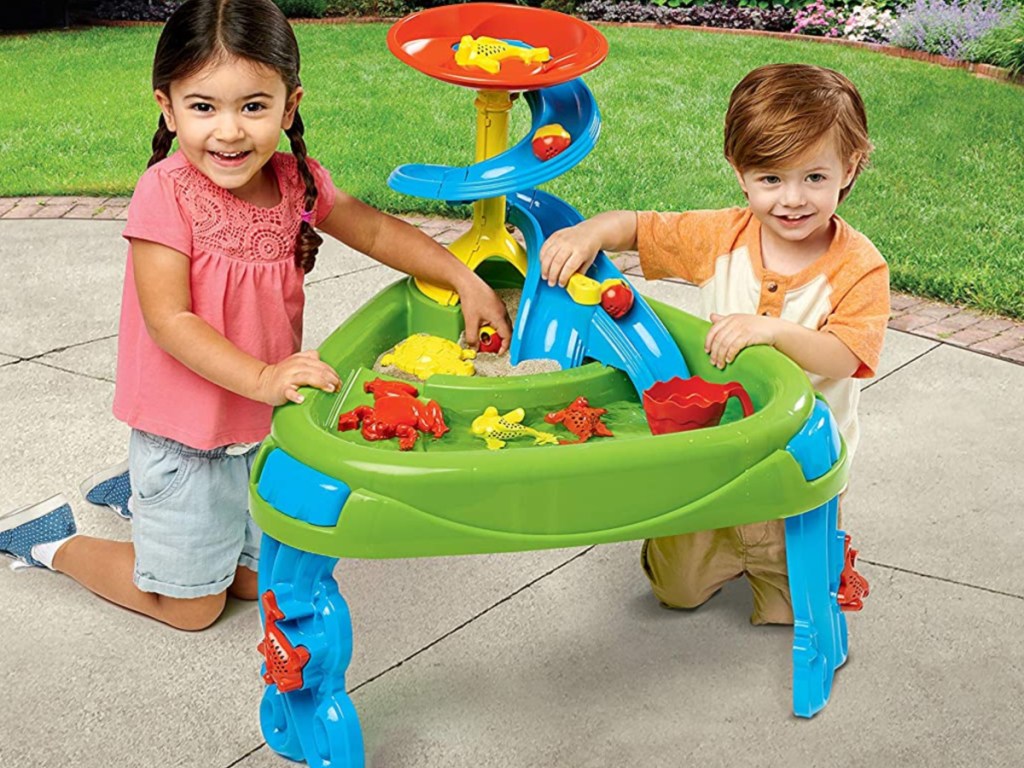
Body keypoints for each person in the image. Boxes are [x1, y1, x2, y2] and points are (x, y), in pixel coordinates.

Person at [0, 0, 511, 630]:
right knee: (194, 608)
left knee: (254, 583)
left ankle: (139, 500)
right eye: (203, 106)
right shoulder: (165, 193)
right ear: (168, 105)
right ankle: (52, 542)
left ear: (289, 105)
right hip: (183, 434)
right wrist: (266, 379)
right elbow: (170, 321)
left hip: (256, 429)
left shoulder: (296, 182)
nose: (230, 132)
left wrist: (463, 277)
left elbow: (376, 232)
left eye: (253, 106)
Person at [539, 63, 890, 625]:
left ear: (849, 167)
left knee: (792, 609)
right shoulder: (723, 236)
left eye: (814, 179)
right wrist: (591, 233)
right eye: (770, 179)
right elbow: (639, 227)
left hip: (795, 467)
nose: (792, 200)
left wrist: (772, 332)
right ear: (739, 171)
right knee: (674, 590)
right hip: (714, 452)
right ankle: (706, 544)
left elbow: (846, 357)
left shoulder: (859, 267)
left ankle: (814, 556)